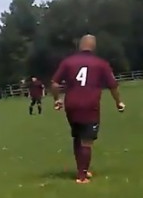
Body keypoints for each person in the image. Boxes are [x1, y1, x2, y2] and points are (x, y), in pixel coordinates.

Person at [50, 34, 125, 184]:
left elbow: (54, 83)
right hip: (90, 105)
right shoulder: (101, 64)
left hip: (71, 104)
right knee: (86, 141)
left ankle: (82, 169)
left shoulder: (68, 62)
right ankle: (82, 176)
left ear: (80, 45)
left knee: (77, 137)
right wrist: (119, 102)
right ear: (94, 46)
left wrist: (57, 99)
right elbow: (113, 85)